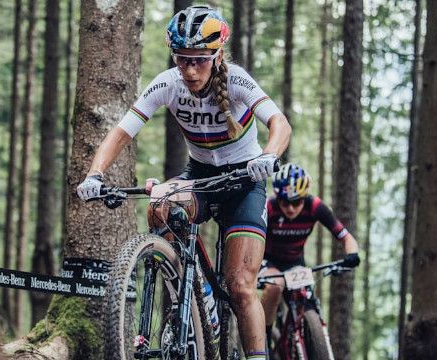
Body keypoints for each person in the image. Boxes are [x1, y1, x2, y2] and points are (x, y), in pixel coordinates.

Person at [76, 5, 291, 360]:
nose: (190, 69)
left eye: (200, 60)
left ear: (217, 55)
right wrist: (94, 174)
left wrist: (268, 155)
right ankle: (199, 294)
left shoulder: (236, 80)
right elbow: (120, 133)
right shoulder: (167, 83)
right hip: (201, 175)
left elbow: (280, 123)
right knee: (160, 208)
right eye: (182, 59)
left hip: (243, 182)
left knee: (240, 287)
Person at [258, 163, 360, 348]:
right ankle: (262, 339)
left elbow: (346, 237)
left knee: (308, 297)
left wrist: (352, 255)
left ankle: (307, 336)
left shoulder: (315, 206)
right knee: (275, 287)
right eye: (284, 202)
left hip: (295, 261)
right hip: (268, 260)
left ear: (304, 197)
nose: (289, 208)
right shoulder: (269, 208)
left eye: (296, 202)